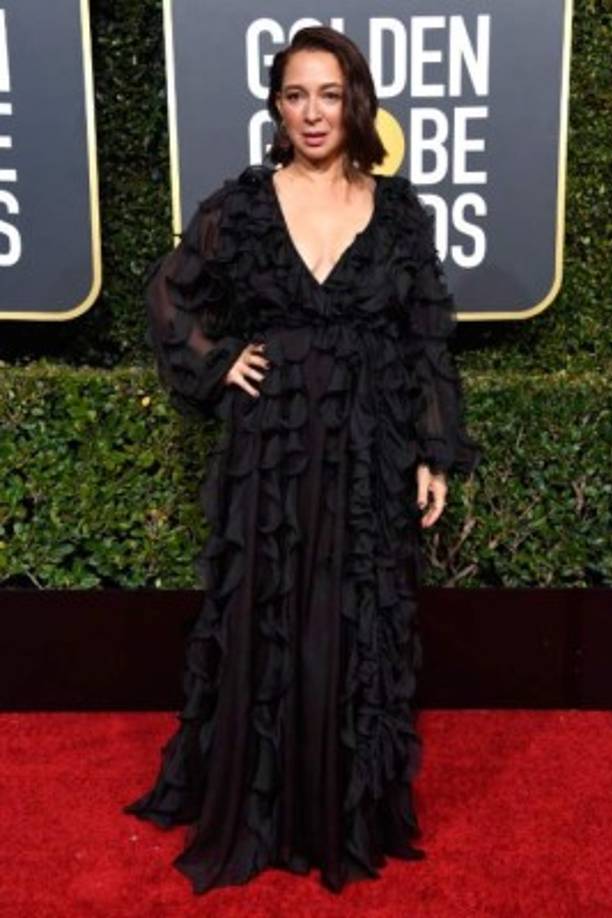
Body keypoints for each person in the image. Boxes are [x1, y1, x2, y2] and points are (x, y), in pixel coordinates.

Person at [122, 25, 481, 895]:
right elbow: (170, 293)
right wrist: (218, 361)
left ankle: (342, 808)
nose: (312, 112)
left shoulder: (399, 211)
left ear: (355, 101)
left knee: (356, 614)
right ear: (277, 107)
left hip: (367, 440)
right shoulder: (243, 206)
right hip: (272, 444)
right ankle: (260, 804)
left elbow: (426, 334)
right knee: (268, 608)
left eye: (328, 94)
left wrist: (433, 448)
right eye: (295, 95)